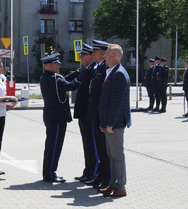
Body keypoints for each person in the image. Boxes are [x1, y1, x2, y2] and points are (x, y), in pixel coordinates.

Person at [40, 52, 81, 183]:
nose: (59, 66)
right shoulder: (53, 79)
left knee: (51, 145)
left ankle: (48, 172)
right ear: (51, 65)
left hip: (52, 116)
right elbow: (70, 85)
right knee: (55, 146)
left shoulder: (47, 77)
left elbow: (64, 80)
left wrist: (76, 73)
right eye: (57, 64)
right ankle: (50, 173)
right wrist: (82, 77)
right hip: (57, 117)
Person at [98, 44, 131, 198]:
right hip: (109, 123)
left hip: (115, 123)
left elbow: (117, 102)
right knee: (111, 155)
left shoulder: (118, 74)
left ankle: (121, 186)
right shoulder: (112, 72)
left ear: (114, 56)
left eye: (106, 54)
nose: (104, 56)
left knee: (117, 155)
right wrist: (103, 123)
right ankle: (113, 183)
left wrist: (110, 123)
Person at [83, 39, 111, 190]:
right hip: (95, 114)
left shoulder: (105, 68)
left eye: (95, 52)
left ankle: (106, 178)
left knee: (104, 149)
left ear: (102, 53)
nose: (92, 54)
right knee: (100, 148)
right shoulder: (99, 68)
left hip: (100, 114)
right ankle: (101, 176)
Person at [73, 43, 98, 183]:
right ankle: (88, 171)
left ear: (91, 56)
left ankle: (93, 172)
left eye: (82, 55)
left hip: (89, 114)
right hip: (83, 113)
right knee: (86, 144)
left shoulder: (94, 70)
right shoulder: (85, 69)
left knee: (91, 144)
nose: (80, 57)